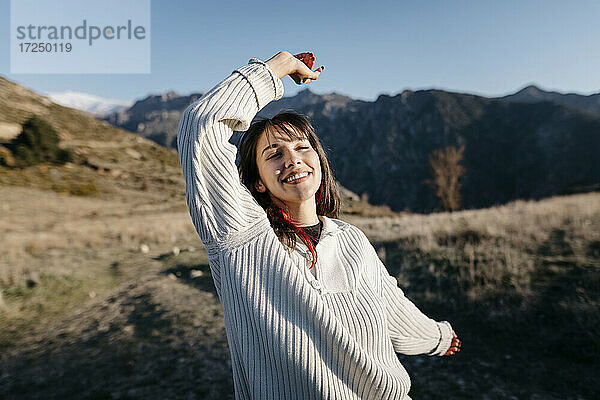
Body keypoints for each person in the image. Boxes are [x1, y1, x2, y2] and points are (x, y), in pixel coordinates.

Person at [177, 50, 461, 400]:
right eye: (274, 154)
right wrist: (277, 67)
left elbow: (391, 309)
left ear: (319, 159)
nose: (292, 158)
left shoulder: (351, 240)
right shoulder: (243, 237)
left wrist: (438, 338)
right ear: (258, 183)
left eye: (301, 146)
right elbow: (200, 128)